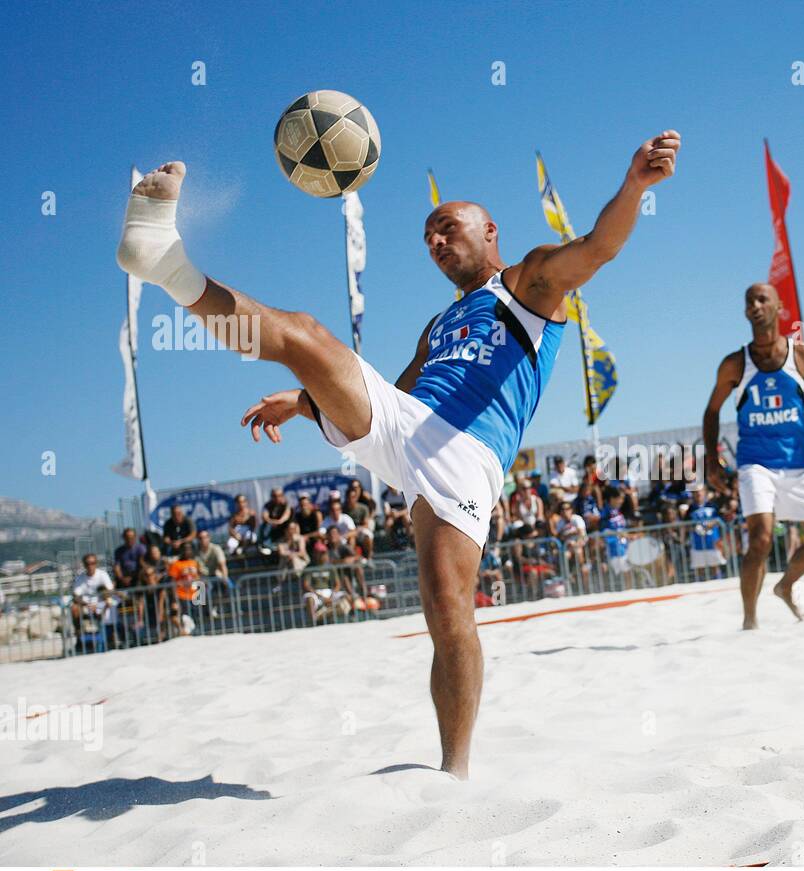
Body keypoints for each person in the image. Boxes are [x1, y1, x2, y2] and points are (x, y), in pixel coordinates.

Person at [119, 133, 679, 779]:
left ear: (489, 229)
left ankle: (455, 771)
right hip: (404, 426)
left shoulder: (529, 281)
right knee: (304, 333)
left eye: (447, 228)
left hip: (465, 453)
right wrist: (308, 400)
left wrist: (634, 186)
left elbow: (599, 247)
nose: (437, 243)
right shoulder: (440, 323)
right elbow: (399, 393)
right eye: (428, 239)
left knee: (448, 608)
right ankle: (166, 262)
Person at [702, 282, 804, 629]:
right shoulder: (736, 363)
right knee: (761, 538)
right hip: (755, 463)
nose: (755, 304)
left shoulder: (803, 356)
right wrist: (712, 459)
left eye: (762, 298)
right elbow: (711, 412)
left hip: (799, 461)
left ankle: (785, 585)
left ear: (778, 306)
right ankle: (749, 621)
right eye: (749, 300)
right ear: (745, 311)